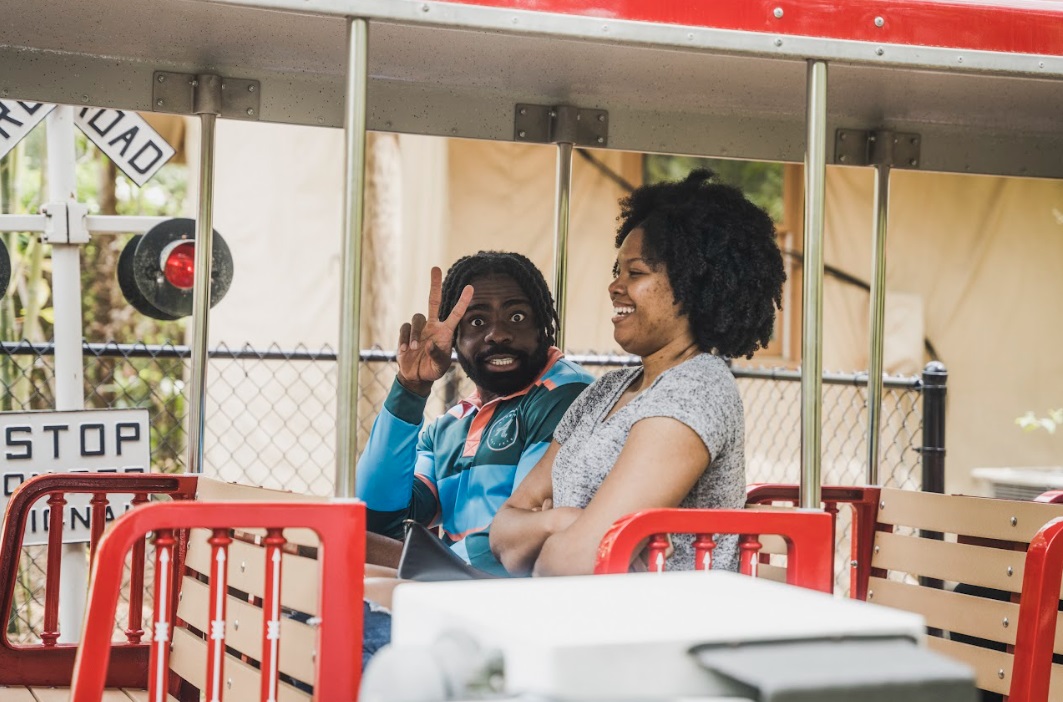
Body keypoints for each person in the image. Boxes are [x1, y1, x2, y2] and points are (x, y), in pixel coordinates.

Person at [490, 169, 786, 576]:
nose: (615, 286)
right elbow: (503, 534)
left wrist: (547, 533)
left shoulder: (695, 389)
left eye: (636, 272)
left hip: (655, 613)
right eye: (617, 271)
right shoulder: (607, 390)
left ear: (692, 285)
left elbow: (573, 563)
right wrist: (561, 522)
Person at [355, 251, 593, 575]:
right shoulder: (451, 425)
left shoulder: (567, 394)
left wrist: (413, 560)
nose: (498, 334)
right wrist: (410, 389)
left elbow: (528, 537)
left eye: (517, 317)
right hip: (452, 586)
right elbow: (379, 517)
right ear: (454, 339)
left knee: (337, 548)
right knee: (332, 544)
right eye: (478, 322)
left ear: (542, 326)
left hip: (516, 595)